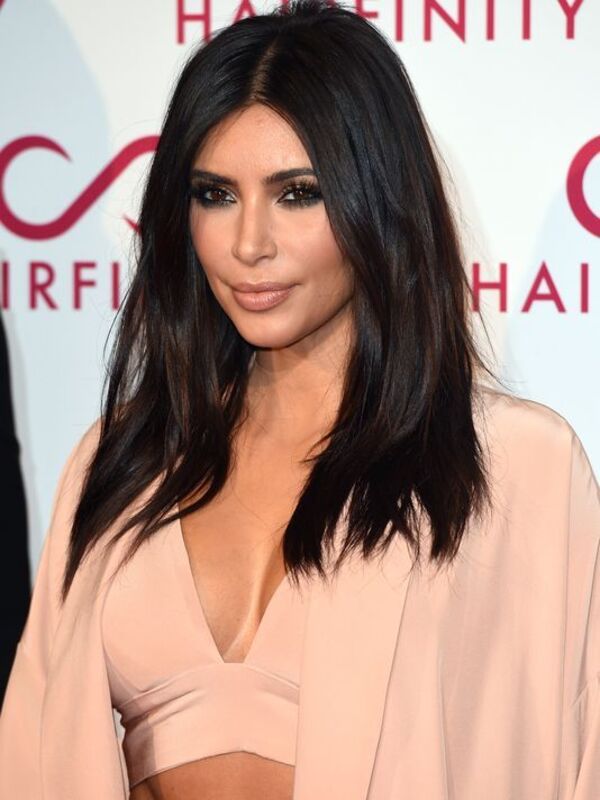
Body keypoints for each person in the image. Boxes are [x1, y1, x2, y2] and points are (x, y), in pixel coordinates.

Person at [1, 1, 598, 798]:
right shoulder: (122, 459)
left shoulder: (515, 466)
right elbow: (34, 752)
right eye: (216, 195)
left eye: (298, 194)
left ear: (376, 201)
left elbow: (572, 751)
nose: (249, 243)